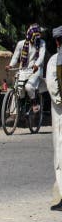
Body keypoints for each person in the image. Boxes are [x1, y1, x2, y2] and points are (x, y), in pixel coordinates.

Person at [7, 23, 47, 106]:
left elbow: (41, 56)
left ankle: (34, 103)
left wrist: (36, 65)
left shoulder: (42, 43)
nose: (40, 36)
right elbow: (15, 57)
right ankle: (19, 110)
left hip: (36, 70)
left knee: (28, 87)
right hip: (24, 69)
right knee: (18, 88)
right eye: (38, 35)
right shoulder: (21, 44)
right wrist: (10, 65)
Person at [46, 25, 62, 211]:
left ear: (57, 41)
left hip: (59, 116)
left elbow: (53, 89)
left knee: (60, 155)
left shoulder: (54, 61)